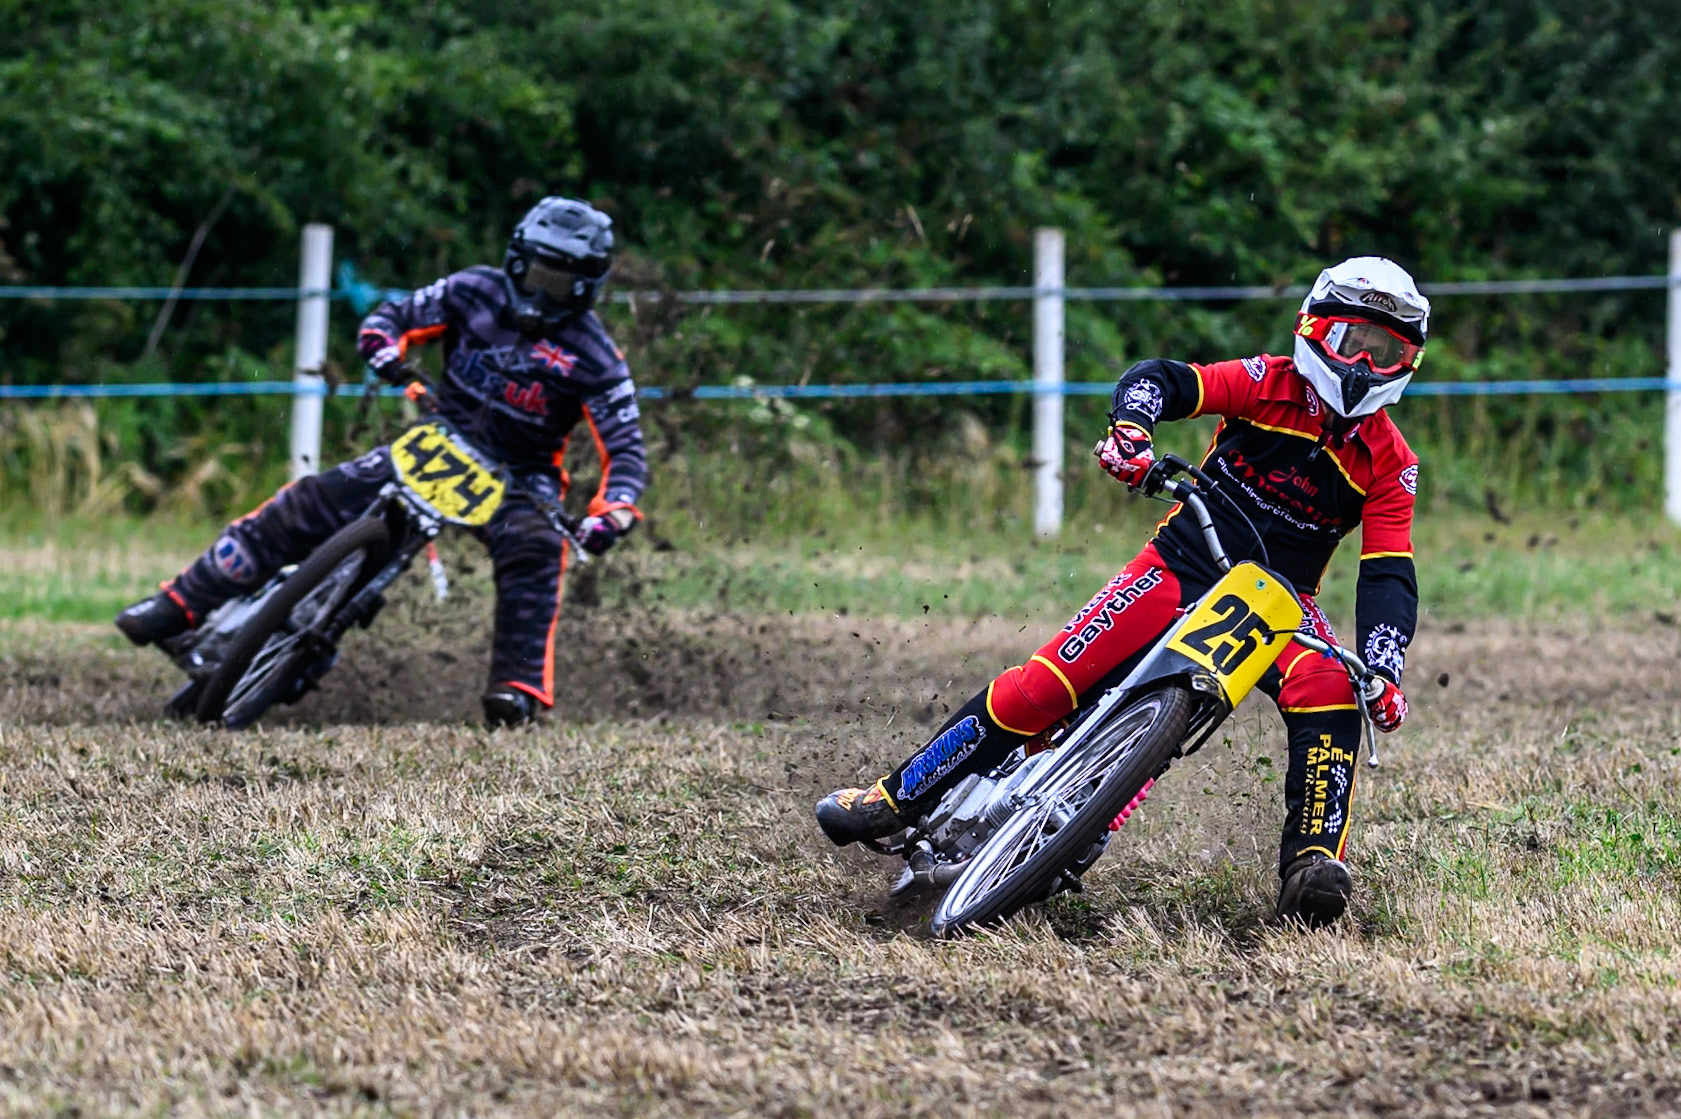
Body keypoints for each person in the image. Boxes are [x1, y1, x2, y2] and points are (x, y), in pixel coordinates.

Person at [816, 256, 1426, 928]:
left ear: (1408, 363)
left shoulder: (1392, 461)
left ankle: (1311, 864)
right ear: (1314, 331)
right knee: (1042, 687)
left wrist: (1383, 667)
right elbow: (1160, 380)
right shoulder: (1265, 381)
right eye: (1352, 345)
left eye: (1386, 353)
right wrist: (1132, 431)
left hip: (1278, 603)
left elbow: (1388, 571)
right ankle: (894, 795)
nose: (1364, 367)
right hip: (1183, 559)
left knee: (1334, 691)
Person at [116, 197, 649, 727]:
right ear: (514, 261)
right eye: (535, 274)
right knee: (310, 501)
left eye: (557, 283)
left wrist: (613, 511)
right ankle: (177, 603)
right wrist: (384, 350)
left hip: (520, 478)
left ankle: (516, 689)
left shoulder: (596, 357)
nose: (539, 292)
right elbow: (393, 317)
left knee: (535, 550)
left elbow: (626, 449)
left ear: (584, 289)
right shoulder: (473, 290)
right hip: (441, 439)